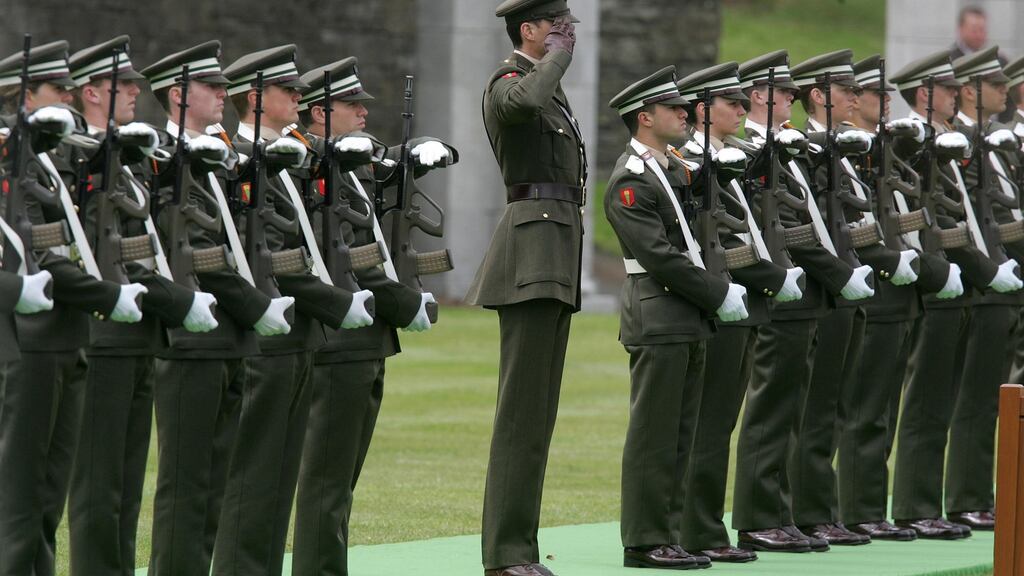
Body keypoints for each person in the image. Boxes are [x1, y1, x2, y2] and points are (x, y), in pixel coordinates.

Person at [213, 44, 374, 576]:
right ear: (256, 99)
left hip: (301, 333)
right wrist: (334, 302)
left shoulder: (291, 161)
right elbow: (265, 255)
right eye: (289, 91)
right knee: (253, 476)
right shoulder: (237, 157)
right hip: (267, 334)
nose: (299, 98)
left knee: (280, 477)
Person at [67, 35, 219, 576]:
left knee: (125, 492)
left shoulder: (130, 158)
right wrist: (179, 302)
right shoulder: (81, 158)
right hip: (104, 334)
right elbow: (100, 254)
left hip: (139, 333)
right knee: (97, 491)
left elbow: (146, 249)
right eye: (122, 85)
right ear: (89, 92)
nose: (135, 92)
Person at [144, 40, 295, 576]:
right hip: (191, 340)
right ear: (180, 95)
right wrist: (255, 305)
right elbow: (198, 255)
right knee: (185, 490)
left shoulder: (221, 157)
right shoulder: (161, 158)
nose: (223, 94)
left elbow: (236, 241)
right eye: (211, 87)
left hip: (228, 337)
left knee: (212, 488)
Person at [290, 55, 443, 576]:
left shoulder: (348, 170)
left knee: (342, 479)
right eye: (350, 105)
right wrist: (406, 304)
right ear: (316, 114)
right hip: (339, 338)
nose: (362, 113)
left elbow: (382, 222)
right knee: (327, 481)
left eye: (362, 104)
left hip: (365, 338)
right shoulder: (315, 173)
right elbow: (347, 259)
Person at [0, 38, 148, 576]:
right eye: (56, 89)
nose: (66, 97)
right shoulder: (18, 164)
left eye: (68, 87)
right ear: (24, 98)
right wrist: (108, 295)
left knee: (46, 503)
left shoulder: (47, 164)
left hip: (68, 336)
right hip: (28, 344)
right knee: (17, 506)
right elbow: (38, 254)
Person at [465, 1, 586, 574]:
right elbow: (523, 106)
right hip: (530, 254)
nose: (565, 38)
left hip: (554, 252)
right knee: (521, 414)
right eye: (555, 29)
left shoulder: (545, 86)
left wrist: (555, 62)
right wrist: (555, 61)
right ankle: (507, 554)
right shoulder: (508, 82)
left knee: (537, 415)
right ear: (529, 30)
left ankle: (520, 551)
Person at [677, 60, 803, 563]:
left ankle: (708, 526)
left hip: (746, 303)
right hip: (722, 301)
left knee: (721, 422)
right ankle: (699, 529)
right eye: (732, 102)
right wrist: (769, 277)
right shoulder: (690, 159)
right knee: (709, 424)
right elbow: (716, 242)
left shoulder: (736, 155)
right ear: (704, 110)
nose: (741, 109)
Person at [790, 49, 913, 547]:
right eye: (849, 92)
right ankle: (814, 512)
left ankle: (830, 511)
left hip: (852, 286)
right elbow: (814, 227)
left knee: (840, 407)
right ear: (818, 97)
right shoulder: (809, 150)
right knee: (818, 410)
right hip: (825, 289)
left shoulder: (844, 147)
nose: (859, 100)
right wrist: (859, 268)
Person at [944, 46, 1023, 532]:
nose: (1005, 92)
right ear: (973, 89)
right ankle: (966, 496)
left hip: (1007, 277)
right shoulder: (963, 144)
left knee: (996, 396)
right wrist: (991, 267)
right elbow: (968, 220)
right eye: (996, 84)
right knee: (975, 395)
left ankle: (981, 492)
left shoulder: (992, 142)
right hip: (985, 281)